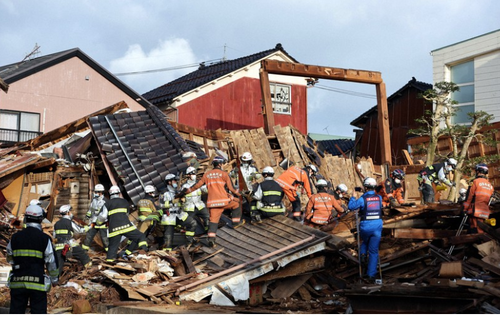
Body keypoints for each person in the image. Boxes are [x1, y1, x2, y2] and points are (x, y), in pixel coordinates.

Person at [177, 156, 243, 248]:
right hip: (224, 201)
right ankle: (235, 223)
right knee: (236, 204)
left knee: (213, 222)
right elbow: (231, 188)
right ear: (220, 164)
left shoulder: (206, 174)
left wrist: (184, 192)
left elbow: (196, 186)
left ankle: (211, 240)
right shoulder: (224, 174)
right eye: (222, 164)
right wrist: (240, 194)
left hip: (212, 204)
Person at [6, 204, 59, 314]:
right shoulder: (44, 239)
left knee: (16, 311)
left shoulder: (15, 237)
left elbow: (10, 257)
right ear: (40, 220)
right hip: (38, 284)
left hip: (18, 282)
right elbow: (51, 261)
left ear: (26, 218)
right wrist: (54, 280)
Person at [96, 185, 148, 262]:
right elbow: (127, 214)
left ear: (110, 194)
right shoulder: (124, 202)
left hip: (114, 230)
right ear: (119, 193)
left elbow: (103, 216)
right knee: (141, 236)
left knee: (112, 248)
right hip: (126, 227)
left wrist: (98, 223)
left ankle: (109, 263)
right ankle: (143, 250)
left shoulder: (107, 203)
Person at [348, 177, 383, 282]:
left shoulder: (363, 199)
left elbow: (351, 206)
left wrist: (353, 196)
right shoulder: (379, 198)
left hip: (366, 226)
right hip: (377, 225)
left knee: (364, 241)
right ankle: (371, 274)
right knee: (373, 251)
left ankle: (363, 255)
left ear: (365, 187)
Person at [159, 174, 198, 251]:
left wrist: (183, 201)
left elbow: (180, 204)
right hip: (169, 217)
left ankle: (189, 242)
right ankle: (167, 253)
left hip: (179, 214)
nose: (176, 182)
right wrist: (172, 202)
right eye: (174, 180)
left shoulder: (177, 191)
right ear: (169, 182)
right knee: (168, 238)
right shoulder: (164, 192)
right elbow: (161, 204)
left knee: (193, 223)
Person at [53, 205, 91, 276]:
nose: (71, 213)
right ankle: (89, 270)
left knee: (58, 265)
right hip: (69, 245)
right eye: (70, 211)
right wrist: (89, 227)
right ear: (67, 213)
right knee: (84, 256)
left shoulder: (56, 224)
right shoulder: (70, 222)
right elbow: (80, 230)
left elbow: (54, 236)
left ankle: (55, 281)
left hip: (58, 246)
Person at [463, 163, 495, 233]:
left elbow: (469, 197)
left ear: (478, 171)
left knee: (474, 230)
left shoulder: (475, 182)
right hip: (484, 211)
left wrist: (464, 208)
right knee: (481, 230)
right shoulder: (490, 185)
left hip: (474, 210)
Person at [82, 184, 109, 252]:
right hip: (94, 222)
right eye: (95, 192)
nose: (95, 193)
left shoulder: (106, 201)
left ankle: (109, 252)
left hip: (102, 223)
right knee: (89, 236)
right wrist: (88, 215)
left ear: (100, 192)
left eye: (96, 192)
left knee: (104, 239)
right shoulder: (94, 200)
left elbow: (104, 214)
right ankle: (84, 251)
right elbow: (92, 209)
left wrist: (99, 221)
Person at [181, 167, 210, 231]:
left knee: (207, 218)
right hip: (189, 208)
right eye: (192, 174)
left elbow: (206, 189)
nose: (194, 175)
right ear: (188, 175)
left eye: (194, 174)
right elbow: (180, 197)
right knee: (190, 223)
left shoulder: (198, 183)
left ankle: (207, 230)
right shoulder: (184, 186)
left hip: (200, 206)